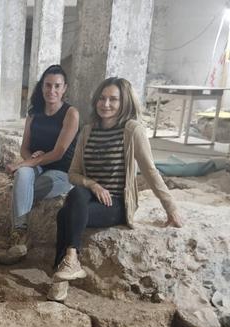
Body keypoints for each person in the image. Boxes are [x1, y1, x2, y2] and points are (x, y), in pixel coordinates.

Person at [48, 77, 183, 302]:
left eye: (113, 99)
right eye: (102, 98)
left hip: (116, 204)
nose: (106, 104)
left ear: (125, 102)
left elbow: (150, 171)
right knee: (76, 194)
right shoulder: (88, 131)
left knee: (65, 214)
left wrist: (170, 207)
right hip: (88, 198)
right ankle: (70, 260)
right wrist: (92, 184)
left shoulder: (132, 131)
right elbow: (73, 173)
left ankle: (60, 276)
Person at [0, 64, 79, 266]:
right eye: (48, 85)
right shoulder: (34, 114)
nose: (52, 91)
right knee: (24, 174)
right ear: (41, 87)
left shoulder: (71, 114)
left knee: (23, 183)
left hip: (61, 172)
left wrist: (33, 161)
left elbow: (59, 152)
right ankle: (20, 236)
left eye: (57, 86)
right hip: (39, 166)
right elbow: (24, 149)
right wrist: (31, 159)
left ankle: (18, 235)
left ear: (65, 88)